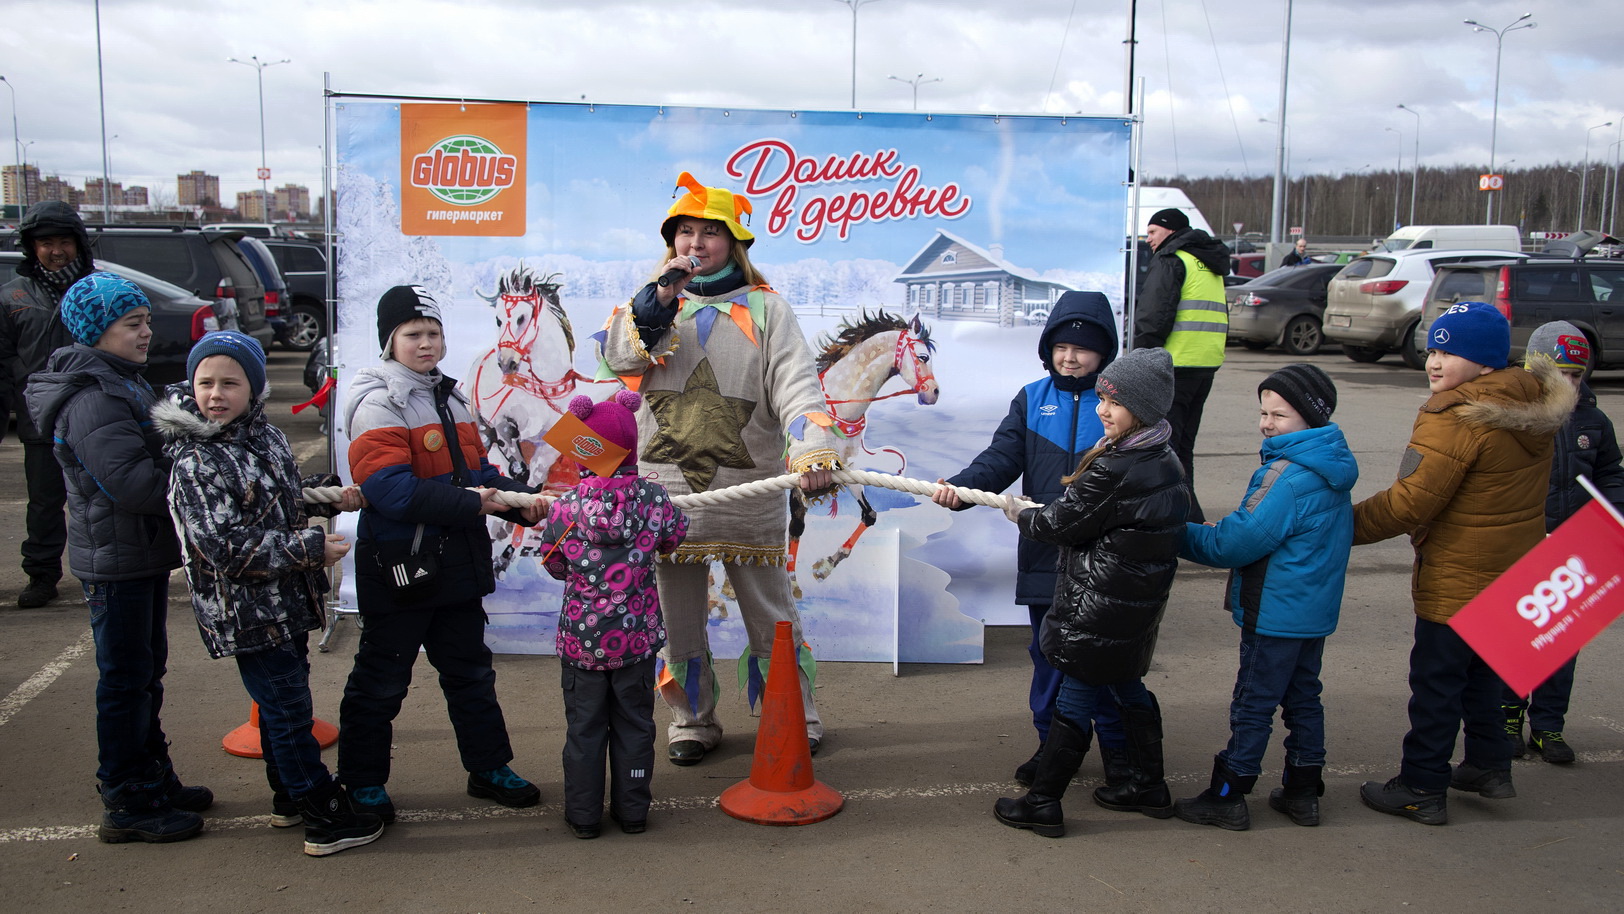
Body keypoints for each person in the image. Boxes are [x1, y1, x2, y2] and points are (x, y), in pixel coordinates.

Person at [597, 173, 839, 767]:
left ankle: (794, 715)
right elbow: (618, 360)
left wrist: (812, 449)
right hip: (665, 495)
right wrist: (659, 301)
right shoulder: (646, 306)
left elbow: (798, 386)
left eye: (710, 233)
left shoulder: (770, 309)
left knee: (772, 616)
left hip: (747, 490)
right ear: (671, 242)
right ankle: (691, 719)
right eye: (686, 232)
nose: (696, 243)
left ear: (734, 243)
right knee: (676, 622)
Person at [155, 331, 384, 856]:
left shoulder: (264, 436)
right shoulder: (196, 461)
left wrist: (324, 494)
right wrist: (310, 547)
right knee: (288, 713)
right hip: (247, 612)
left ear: (254, 388)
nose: (216, 394)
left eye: (230, 383)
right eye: (205, 383)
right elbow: (226, 548)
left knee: (283, 704)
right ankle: (322, 815)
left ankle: (287, 797)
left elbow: (275, 500)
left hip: (285, 603)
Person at [1353, 301, 1575, 826]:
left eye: (1449, 352)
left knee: (1435, 685)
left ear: (1485, 361)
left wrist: (1338, 527)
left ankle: (1421, 786)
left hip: (1458, 574)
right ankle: (1489, 765)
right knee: (1482, 676)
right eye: (1432, 348)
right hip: (1510, 573)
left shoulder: (1455, 415)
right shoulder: (1531, 403)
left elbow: (1410, 503)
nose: (1434, 361)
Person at [338, 284, 547, 824]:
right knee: (381, 682)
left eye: (433, 332)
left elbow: (478, 473)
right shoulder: (377, 401)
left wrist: (523, 502)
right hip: (399, 570)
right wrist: (475, 502)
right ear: (390, 340)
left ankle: (489, 768)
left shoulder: (452, 398)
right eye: (413, 334)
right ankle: (362, 782)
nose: (426, 343)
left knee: (471, 674)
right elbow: (391, 491)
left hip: (455, 566)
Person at [24, 272, 204, 843]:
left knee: (145, 674)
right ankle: (127, 798)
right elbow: (132, 484)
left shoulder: (121, 381)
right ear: (97, 330)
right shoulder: (94, 398)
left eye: (146, 321)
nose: (146, 332)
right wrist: (200, 482)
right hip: (116, 560)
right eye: (133, 324)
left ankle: (153, 777)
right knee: (126, 681)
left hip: (137, 554)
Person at [930, 291, 1129, 789]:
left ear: (1104, 352)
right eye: (1061, 346)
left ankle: (1120, 753)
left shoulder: (1121, 405)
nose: (1070, 357)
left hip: (1105, 560)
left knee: (1105, 658)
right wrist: (963, 489)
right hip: (1045, 553)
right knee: (1049, 654)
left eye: (1082, 349)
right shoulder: (1032, 398)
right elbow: (1001, 458)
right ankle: (1052, 746)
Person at [992, 347, 1189, 838]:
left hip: (1100, 604)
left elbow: (1060, 522)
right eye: (1102, 399)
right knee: (1129, 687)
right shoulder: (1163, 457)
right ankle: (1149, 786)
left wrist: (1022, 514)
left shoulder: (1116, 466)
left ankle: (1043, 803)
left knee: (1075, 699)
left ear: (1142, 410)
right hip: (1135, 607)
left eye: (1115, 403)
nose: (1103, 410)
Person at [1173, 364, 1356, 830]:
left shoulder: (1287, 476)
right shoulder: (1331, 464)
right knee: (1304, 699)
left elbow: (1235, 543)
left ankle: (1228, 795)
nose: (1266, 424)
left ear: (1310, 417)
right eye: (1263, 412)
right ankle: (1303, 792)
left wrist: (1177, 534)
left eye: (1279, 415)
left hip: (1275, 614)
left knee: (1252, 704)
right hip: (1312, 613)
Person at [538, 391, 688, 839]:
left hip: (582, 645)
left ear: (584, 448)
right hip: (636, 642)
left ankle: (584, 816)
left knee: (584, 731)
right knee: (635, 727)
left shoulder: (566, 506)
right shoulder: (654, 499)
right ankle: (633, 812)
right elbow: (673, 537)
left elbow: (553, 563)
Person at [1502, 321, 1624, 765]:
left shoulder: (1592, 419)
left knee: (1561, 642)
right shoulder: (1515, 414)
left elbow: (1610, 473)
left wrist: (1614, 512)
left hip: (1573, 550)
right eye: (1561, 374)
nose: (1570, 383)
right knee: (1518, 639)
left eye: (1577, 375)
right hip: (1522, 542)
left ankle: (1548, 725)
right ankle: (1507, 718)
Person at [1, 201, 95, 608]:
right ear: (31, 247)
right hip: (39, 418)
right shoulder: (12, 296)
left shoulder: (99, 290)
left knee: (101, 501)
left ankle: (104, 572)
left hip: (95, 415)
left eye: (65, 242)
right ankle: (41, 574)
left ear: (79, 244)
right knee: (44, 502)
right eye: (46, 243)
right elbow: (4, 362)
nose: (57, 251)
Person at [1132, 207, 1230, 522]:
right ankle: (1189, 516)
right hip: (1205, 363)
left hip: (1174, 365)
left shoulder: (1171, 258)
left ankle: (1178, 519)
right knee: (1183, 446)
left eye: (1152, 232)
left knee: (1165, 447)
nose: (1148, 239)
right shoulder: (1207, 260)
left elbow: (1154, 315)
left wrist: (1140, 359)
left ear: (1170, 230)